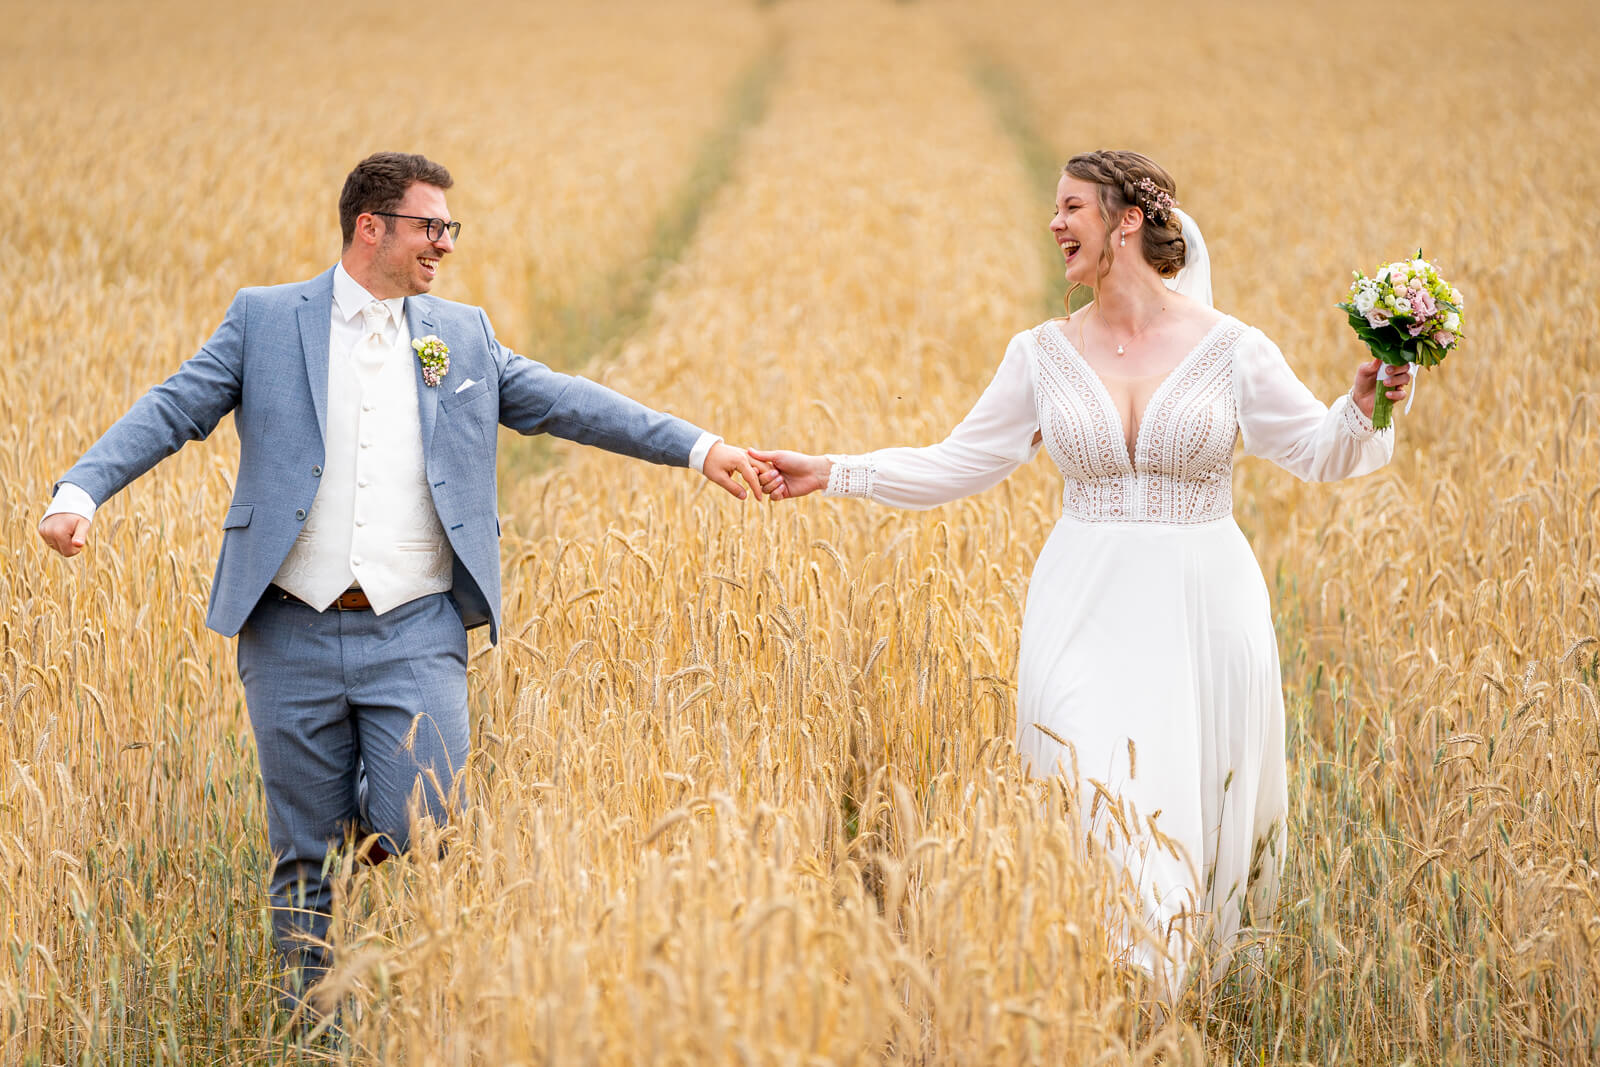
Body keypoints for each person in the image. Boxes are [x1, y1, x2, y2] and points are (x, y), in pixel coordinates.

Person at [37, 151, 767, 1012]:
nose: (446, 245)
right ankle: (314, 1026)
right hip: (287, 626)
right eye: (432, 225)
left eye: (449, 228)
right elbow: (171, 408)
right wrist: (81, 489)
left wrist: (700, 447)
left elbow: (571, 401)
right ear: (370, 226)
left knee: (424, 817)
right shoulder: (265, 321)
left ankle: (364, 847)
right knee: (302, 851)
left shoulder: (460, 335)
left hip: (415, 627)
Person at [751, 150, 1411, 995]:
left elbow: (1319, 454)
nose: (1055, 223)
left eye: (1071, 207)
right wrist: (831, 470)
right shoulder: (1040, 354)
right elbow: (960, 461)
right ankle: (1117, 985)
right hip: (1081, 605)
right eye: (1054, 208)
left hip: (1203, 606)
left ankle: (1158, 1002)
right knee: (1087, 778)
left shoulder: (1234, 349)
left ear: (1125, 219)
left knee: (1187, 801)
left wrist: (1368, 402)